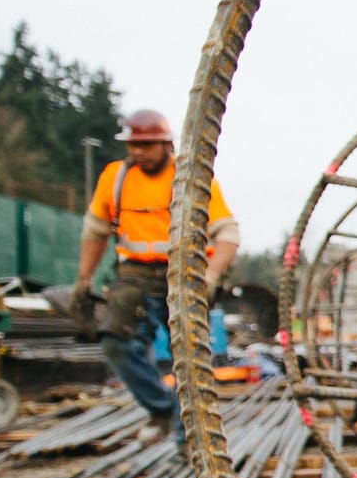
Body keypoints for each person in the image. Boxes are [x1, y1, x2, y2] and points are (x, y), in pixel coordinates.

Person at [73, 110, 239, 444]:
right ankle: (162, 407)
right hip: (134, 273)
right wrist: (83, 280)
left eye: (147, 145)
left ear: (167, 144)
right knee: (116, 341)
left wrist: (210, 276)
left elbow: (227, 233)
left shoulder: (190, 177)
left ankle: (187, 442)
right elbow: (95, 231)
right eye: (134, 145)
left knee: (189, 358)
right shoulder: (115, 177)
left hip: (185, 274)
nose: (139, 152)